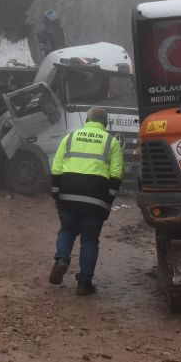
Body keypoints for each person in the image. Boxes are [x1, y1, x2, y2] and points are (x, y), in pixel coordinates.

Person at [47, 106, 124, 296]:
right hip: (95, 199)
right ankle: (84, 283)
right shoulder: (111, 142)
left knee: (67, 230)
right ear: (105, 123)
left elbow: (56, 169)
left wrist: (56, 195)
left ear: (87, 120)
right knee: (89, 240)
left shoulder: (70, 138)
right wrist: (108, 200)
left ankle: (62, 259)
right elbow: (116, 175)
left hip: (68, 194)